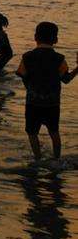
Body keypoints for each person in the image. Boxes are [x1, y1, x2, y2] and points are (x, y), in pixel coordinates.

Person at [15, 22, 77, 162]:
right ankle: (56, 159)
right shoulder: (59, 59)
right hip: (52, 103)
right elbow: (66, 79)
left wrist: (31, 88)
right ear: (55, 40)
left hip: (33, 103)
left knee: (32, 132)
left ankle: (38, 159)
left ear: (35, 37)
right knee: (54, 132)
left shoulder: (27, 57)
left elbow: (22, 75)